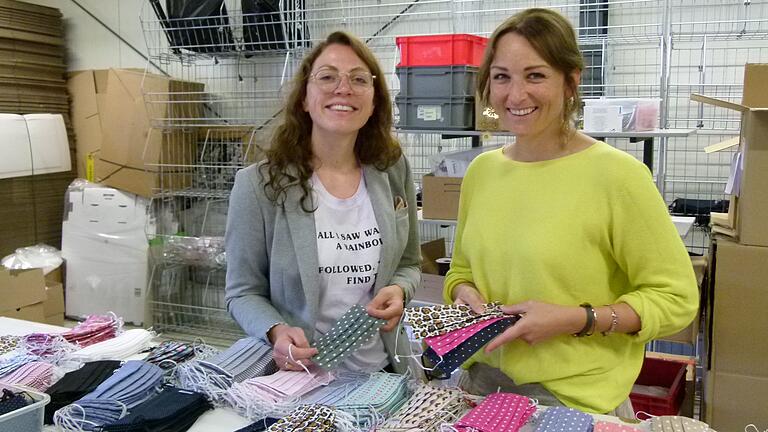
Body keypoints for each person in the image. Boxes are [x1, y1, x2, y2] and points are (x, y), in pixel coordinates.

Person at [443, 8, 698, 415]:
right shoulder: (482, 172)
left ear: (571, 81)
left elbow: (676, 300)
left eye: (536, 75)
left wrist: (576, 318)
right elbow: (460, 272)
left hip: (576, 402)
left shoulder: (619, 177)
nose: (515, 95)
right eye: (502, 76)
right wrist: (465, 294)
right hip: (481, 386)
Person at [225, 31, 420, 375]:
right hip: (300, 380)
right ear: (304, 97)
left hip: (385, 377)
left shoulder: (392, 169)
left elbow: (409, 263)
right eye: (327, 77)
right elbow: (242, 293)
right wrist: (275, 330)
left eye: (359, 79)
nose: (343, 88)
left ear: (374, 101)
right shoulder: (257, 185)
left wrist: (398, 289)